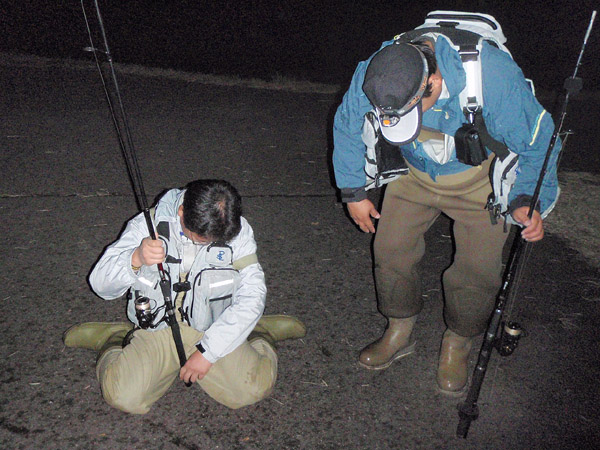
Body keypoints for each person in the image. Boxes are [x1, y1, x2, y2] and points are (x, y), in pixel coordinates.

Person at [332, 31, 559, 395]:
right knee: (390, 252)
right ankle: (399, 329)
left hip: (479, 180)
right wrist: (353, 191)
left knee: (477, 271)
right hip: (414, 174)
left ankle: (459, 342)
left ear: (433, 82)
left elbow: (538, 143)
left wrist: (526, 199)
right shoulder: (380, 68)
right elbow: (346, 123)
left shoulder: (493, 76)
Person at [63, 179, 306, 413]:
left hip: (211, 325)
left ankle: (260, 335)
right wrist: (134, 259)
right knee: (122, 396)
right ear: (181, 212)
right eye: (200, 239)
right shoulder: (146, 224)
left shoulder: (236, 231)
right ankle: (113, 341)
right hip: (159, 329)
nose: (207, 244)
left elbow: (253, 296)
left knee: (252, 390)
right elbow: (100, 285)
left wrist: (209, 352)